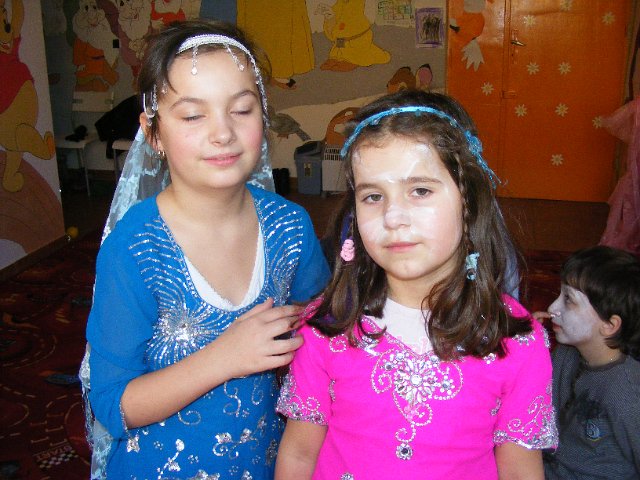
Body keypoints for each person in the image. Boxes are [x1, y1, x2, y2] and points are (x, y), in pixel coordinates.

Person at [82, 20, 330, 479]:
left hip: (264, 462)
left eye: (241, 109)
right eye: (193, 116)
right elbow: (113, 405)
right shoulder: (135, 249)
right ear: (153, 133)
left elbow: (322, 318)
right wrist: (224, 357)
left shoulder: (290, 226)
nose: (223, 133)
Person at [274, 90, 558, 479]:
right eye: (373, 196)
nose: (393, 217)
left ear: (469, 201)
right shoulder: (327, 326)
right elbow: (299, 455)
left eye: (420, 191)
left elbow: (520, 470)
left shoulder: (515, 340)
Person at [533, 246, 640, 479]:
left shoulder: (628, 391)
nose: (552, 308)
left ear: (610, 325)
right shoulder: (565, 354)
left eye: (568, 300)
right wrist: (529, 351)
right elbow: (530, 402)